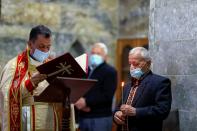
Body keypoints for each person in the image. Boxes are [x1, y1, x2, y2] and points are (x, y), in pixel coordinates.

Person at [0, 25, 59, 131]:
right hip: (28, 120)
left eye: (48, 47)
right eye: (41, 46)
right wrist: (29, 84)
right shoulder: (14, 65)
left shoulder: (53, 65)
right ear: (30, 44)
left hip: (51, 120)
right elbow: (6, 95)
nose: (45, 51)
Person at [113, 47, 172, 131]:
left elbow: (162, 111)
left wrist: (136, 111)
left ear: (148, 63)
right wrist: (116, 115)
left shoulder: (160, 82)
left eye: (135, 64)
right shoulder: (127, 85)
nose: (132, 67)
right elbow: (119, 107)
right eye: (130, 64)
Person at [75, 42, 117, 131]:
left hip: (100, 117)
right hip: (83, 116)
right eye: (93, 53)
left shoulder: (110, 71)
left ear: (105, 56)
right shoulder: (87, 70)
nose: (94, 56)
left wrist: (86, 102)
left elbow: (107, 96)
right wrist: (78, 102)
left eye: (98, 54)